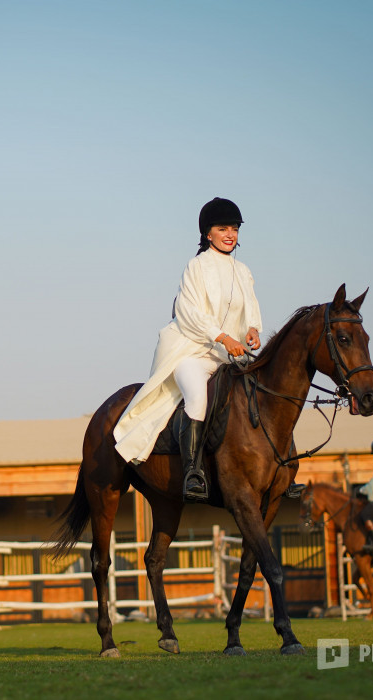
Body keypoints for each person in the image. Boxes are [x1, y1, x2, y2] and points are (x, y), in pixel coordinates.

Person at [113, 198, 263, 503]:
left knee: (264, 394)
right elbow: (188, 313)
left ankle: (280, 470)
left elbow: (251, 309)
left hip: (228, 357)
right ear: (208, 234)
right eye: (223, 228)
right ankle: (193, 472)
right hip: (191, 354)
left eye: (234, 228)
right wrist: (223, 337)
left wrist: (252, 329)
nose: (230, 233)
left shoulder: (243, 271)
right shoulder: (196, 266)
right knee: (197, 399)